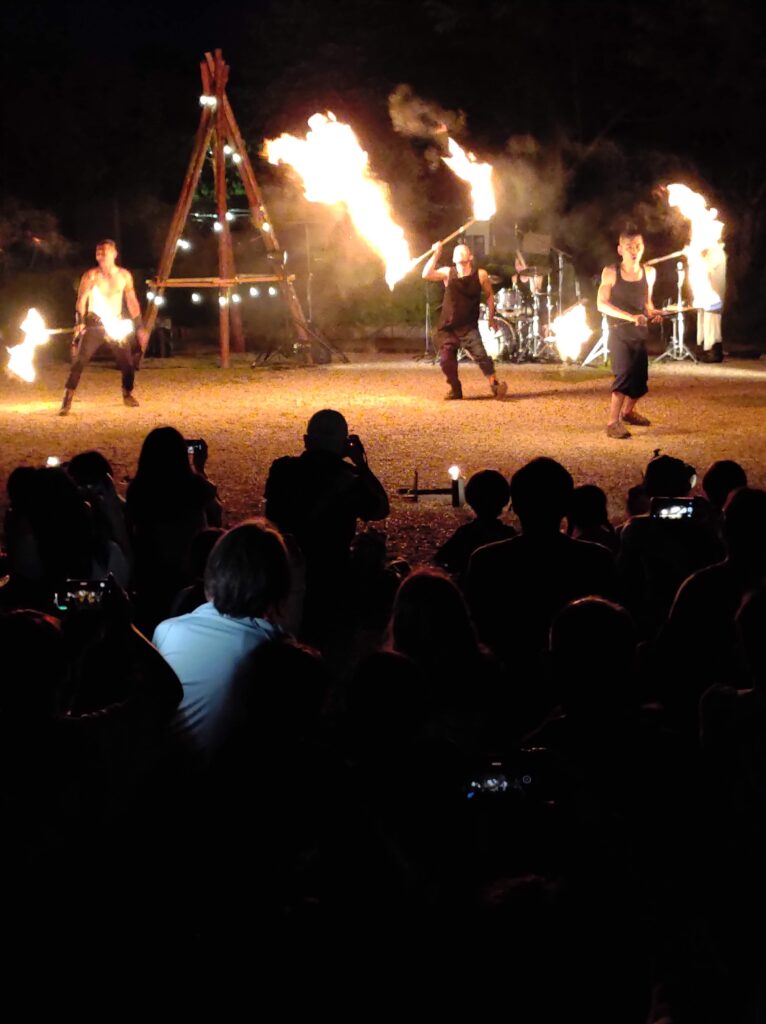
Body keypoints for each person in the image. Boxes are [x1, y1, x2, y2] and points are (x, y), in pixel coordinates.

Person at [265, 409, 389, 651]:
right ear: (344, 445)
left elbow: (272, 514)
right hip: (334, 574)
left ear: (307, 441)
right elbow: (381, 509)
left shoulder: (282, 470)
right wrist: (362, 465)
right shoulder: (349, 479)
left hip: (286, 569)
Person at [58, 239, 149, 416]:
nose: (100, 255)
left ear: (114, 254)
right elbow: (82, 300)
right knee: (80, 360)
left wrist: (139, 326)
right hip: (95, 323)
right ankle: (67, 399)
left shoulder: (124, 276)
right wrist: (79, 321)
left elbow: (132, 302)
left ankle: (127, 393)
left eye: (104, 251)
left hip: (115, 323)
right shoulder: (91, 275)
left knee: (128, 363)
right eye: (98, 252)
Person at [423, 241, 508, 401]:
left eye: (463, 251)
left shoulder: (481, 275)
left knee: (482, 356)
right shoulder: (448, 273)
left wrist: (491, 318)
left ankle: (495, 385)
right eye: (457, 252)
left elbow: (489, 295)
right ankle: (455, 389)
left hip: (468, 326)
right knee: (446, 361)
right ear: (454, 259)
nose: (460, 253)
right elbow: (426, 274)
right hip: (448, 326)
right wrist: (436, 253)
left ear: (470, 257)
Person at [597, 225, 659, 439]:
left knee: (640, 379)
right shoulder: (611, 272)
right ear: (620, 249)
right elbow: (601, 304)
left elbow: (647, 304)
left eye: (638, 246)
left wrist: (655, 313)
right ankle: (613, 423)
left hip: (639, 332)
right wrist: (631, 317)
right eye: (629, 246)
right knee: (623, 374)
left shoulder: (649, 273)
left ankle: (628, 412)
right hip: (618, 332)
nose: (634, 250)